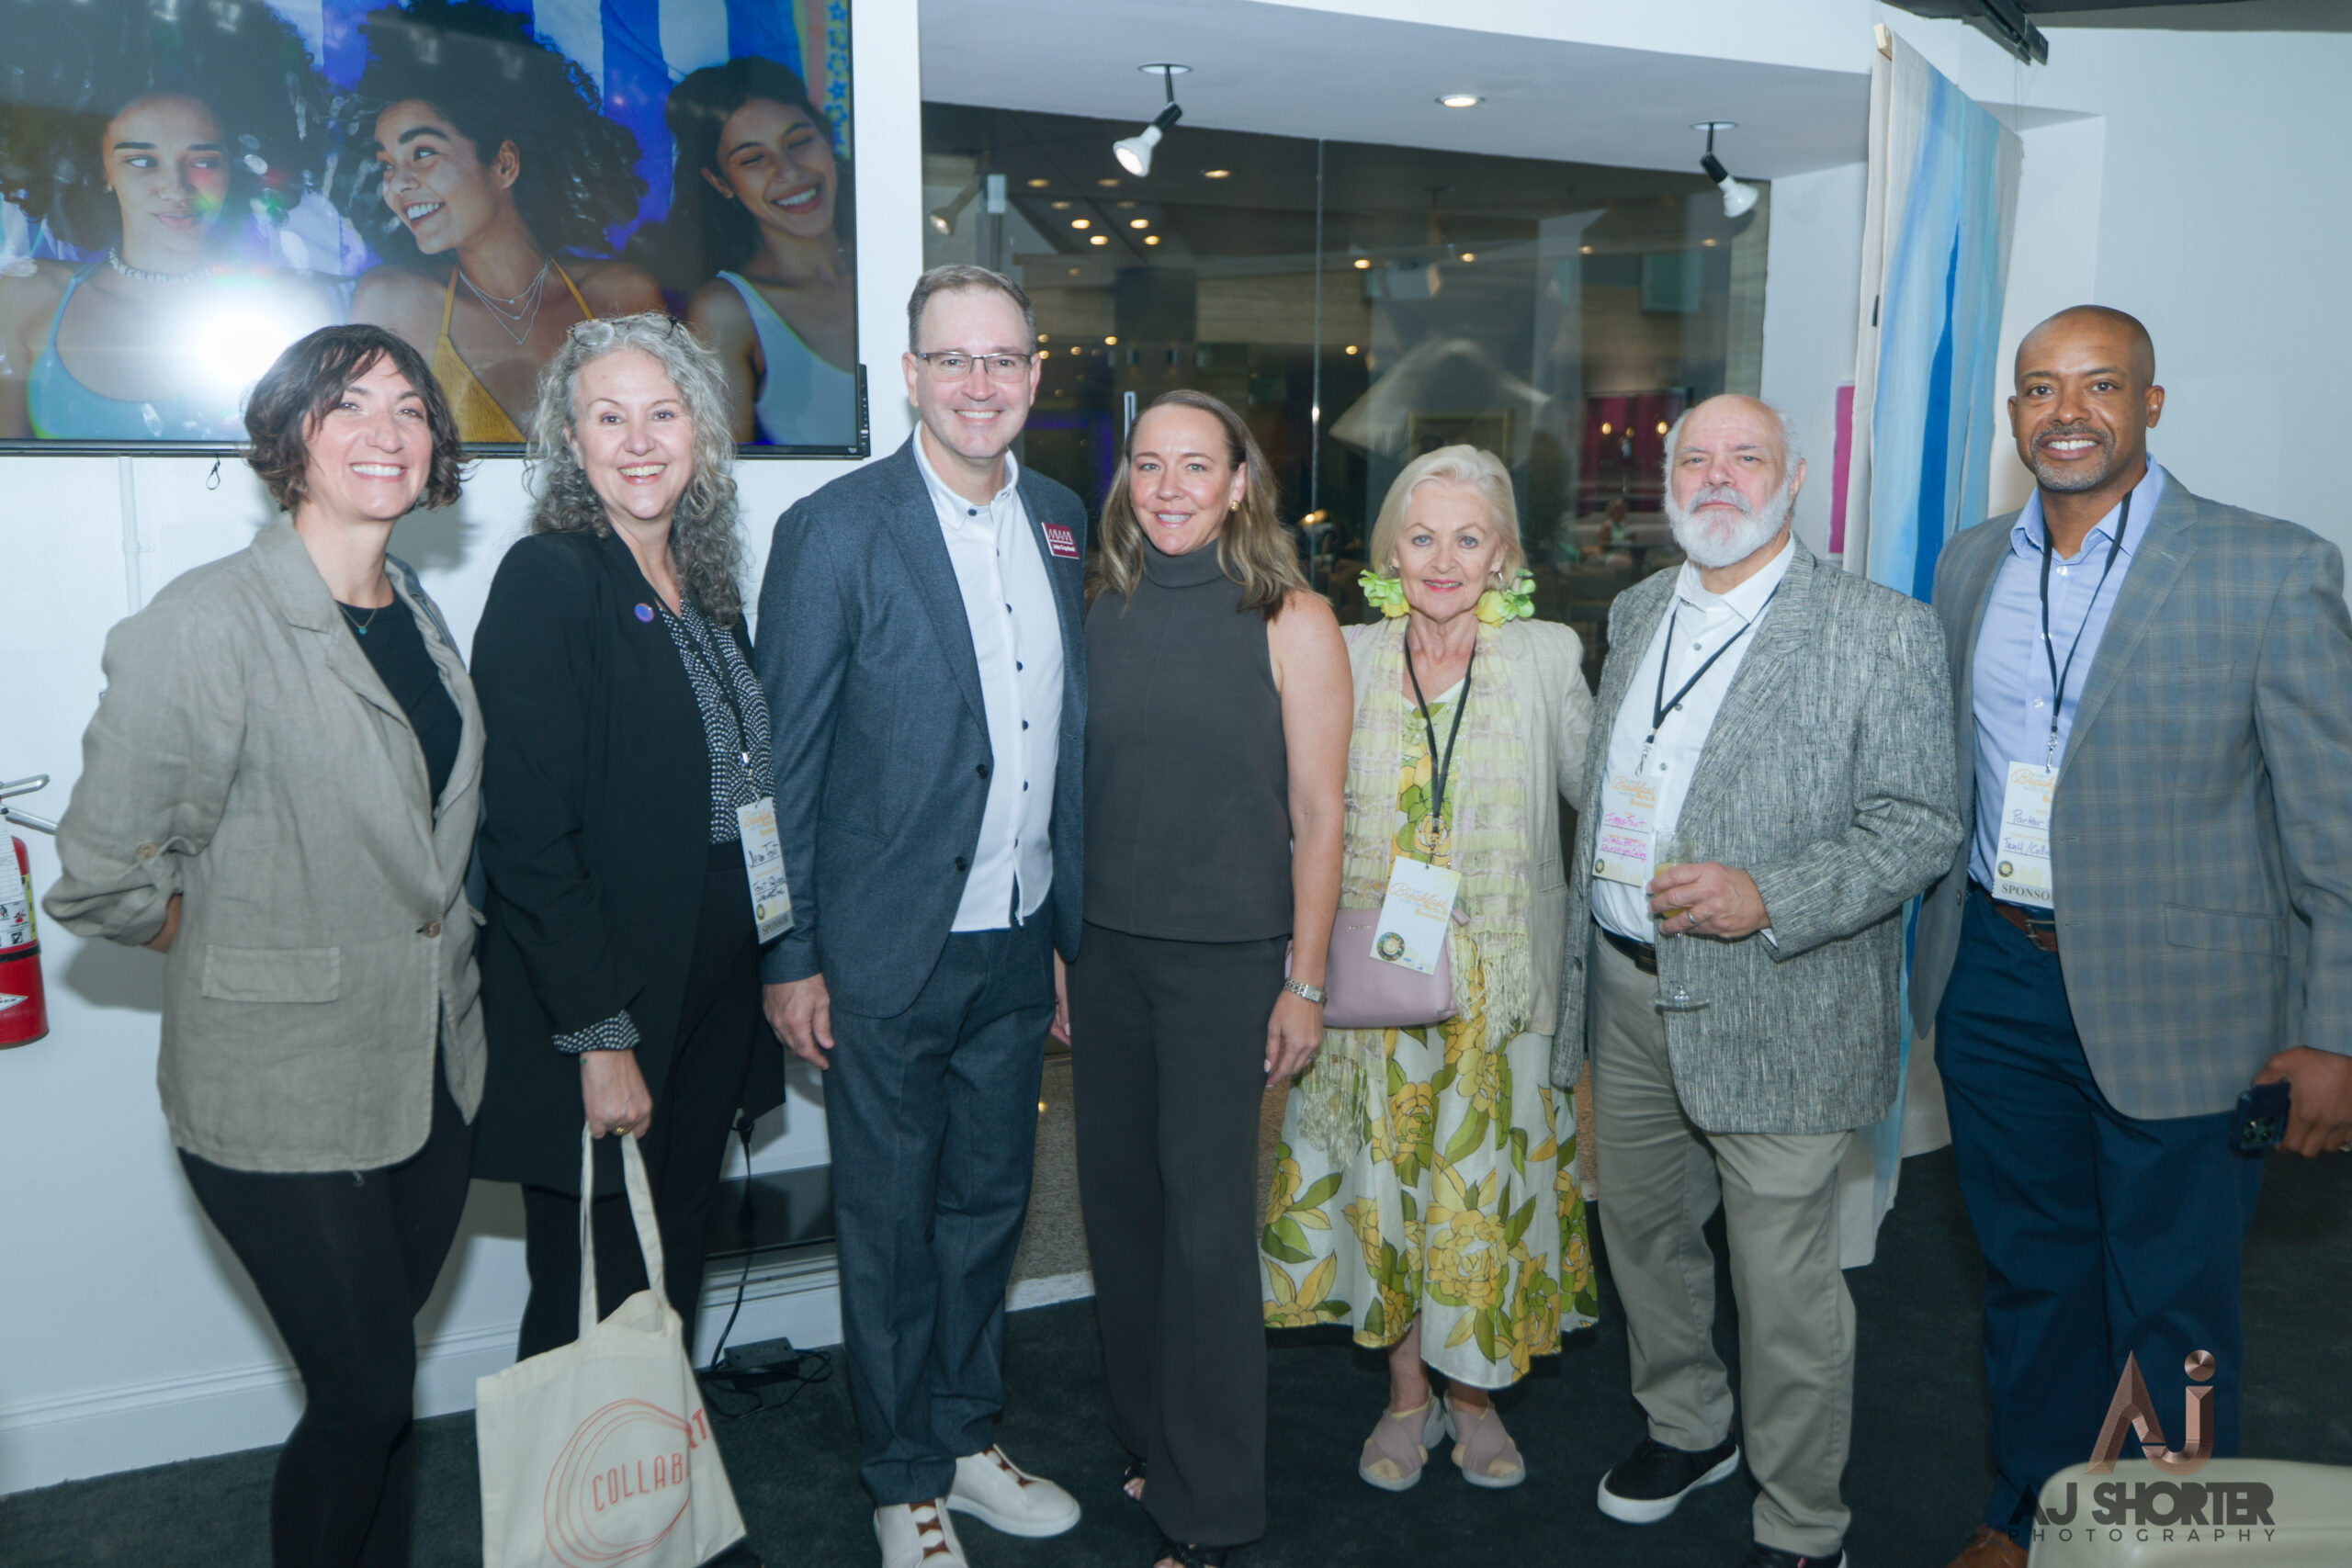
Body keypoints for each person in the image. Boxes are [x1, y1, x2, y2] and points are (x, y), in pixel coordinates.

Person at [1912, 308, 2352, 1568]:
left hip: (2190, 1004)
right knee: (2032, 1276)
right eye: (2040, 388)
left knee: (2175, 1300)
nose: (2067, 412)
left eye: (2100, 385)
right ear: (2013, 414)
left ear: (2149, 404)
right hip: (1997, 977)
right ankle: (2032, 1511)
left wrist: (2334, 1032)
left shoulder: (2269, 566)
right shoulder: (1969, 564)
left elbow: (2333, 823)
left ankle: (2165, 1541)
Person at [44, 323, 480, 1566]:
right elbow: (102, 878)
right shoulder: (208, 622)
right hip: (277, 1085)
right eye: (347, 406)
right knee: (363, 1394)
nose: (386, 433)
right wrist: (228, 928)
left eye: (409, 407)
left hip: (430, 1064)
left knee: (377, 1392)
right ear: (290, 437)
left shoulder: (416, 610)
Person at [1554, 395, 1961, 1568]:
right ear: (1666, 481)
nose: (1718, 477)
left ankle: (1801, 1522)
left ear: (1794, 481)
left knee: (1782, 1285)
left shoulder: (1880, 630)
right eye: (1696, 458)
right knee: (1642, 1236)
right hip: (1628, 988)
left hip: (1782, 1002)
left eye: (1746, 457)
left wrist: (1767, 895)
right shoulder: (1636, 609)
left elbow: (1918, 826)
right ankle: (1688, 1426)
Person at [756, 265, 1087, 1568]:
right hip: (884, 950)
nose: (979, 383)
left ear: (1035, 375)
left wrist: (1066, 935)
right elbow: (780, 770)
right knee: (891, 1225)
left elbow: (1065, 743)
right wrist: (791, 952)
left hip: (1019, 935)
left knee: (989, 1206)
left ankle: (962, 1430)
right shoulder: (836, 530)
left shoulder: (1061, 520)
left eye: (1003, 359)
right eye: (952, 359)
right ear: (909, 375)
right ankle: (901, 1476)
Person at [1262, 445, 1600, 1497]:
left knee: (1479, 1198)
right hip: (1372, 979)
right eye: (1421, 538)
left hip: (1500, 991)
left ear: (1502, 557)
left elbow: (1599, 794)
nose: (1443, 560)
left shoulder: (1545, 655)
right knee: (1390, 1187)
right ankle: (1407, 1396)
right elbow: (1290, 799)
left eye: (1467, 538)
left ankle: (1475, 1399)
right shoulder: (1344, 651)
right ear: (1389, 554)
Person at [468, 314, 782, 1361]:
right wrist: (600, 1038)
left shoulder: (707, 584)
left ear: (700, 432)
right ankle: (584, 1477)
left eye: (664, 413)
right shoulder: (551, 580)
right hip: (610, 992)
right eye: (610, 418)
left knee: (672, 1252)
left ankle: (656, 1465)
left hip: (714, 981)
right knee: (594, 1278)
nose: (640, 442)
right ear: (572, 439)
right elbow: (526, 838)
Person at [1074, 389, 1350, 1567]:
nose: (1170, 488)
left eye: (1197, 466)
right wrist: (1060, 951)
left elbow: (1321, 816)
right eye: (1149, 465)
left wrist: (1306, 982)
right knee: (1121, 1216)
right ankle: (1151, 1442)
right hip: (1102, 956)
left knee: (1204, 1234)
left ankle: (1213, 1510)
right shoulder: (1098, 604)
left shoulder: (1292, 617)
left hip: (1227, 969)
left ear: (1241, 483)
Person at [0, 0, 341, 439]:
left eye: (203, 161)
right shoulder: (25, 298)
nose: (177, 188)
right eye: (143, 162)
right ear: (101, 169)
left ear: (236, 168)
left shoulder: (294, 308)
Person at [341, 0, 664, 444]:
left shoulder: (622, 297)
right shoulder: (392, 303)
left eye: (422, 153)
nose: (397, 184)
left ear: (505, 163)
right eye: (386, 165)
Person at [634, 57, 857, 446]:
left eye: (799, 142)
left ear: (825, 138)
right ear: (721, 182)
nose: (788, 171)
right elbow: (726, 471)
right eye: (754, 159)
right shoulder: (726, 311)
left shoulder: (888, 264)